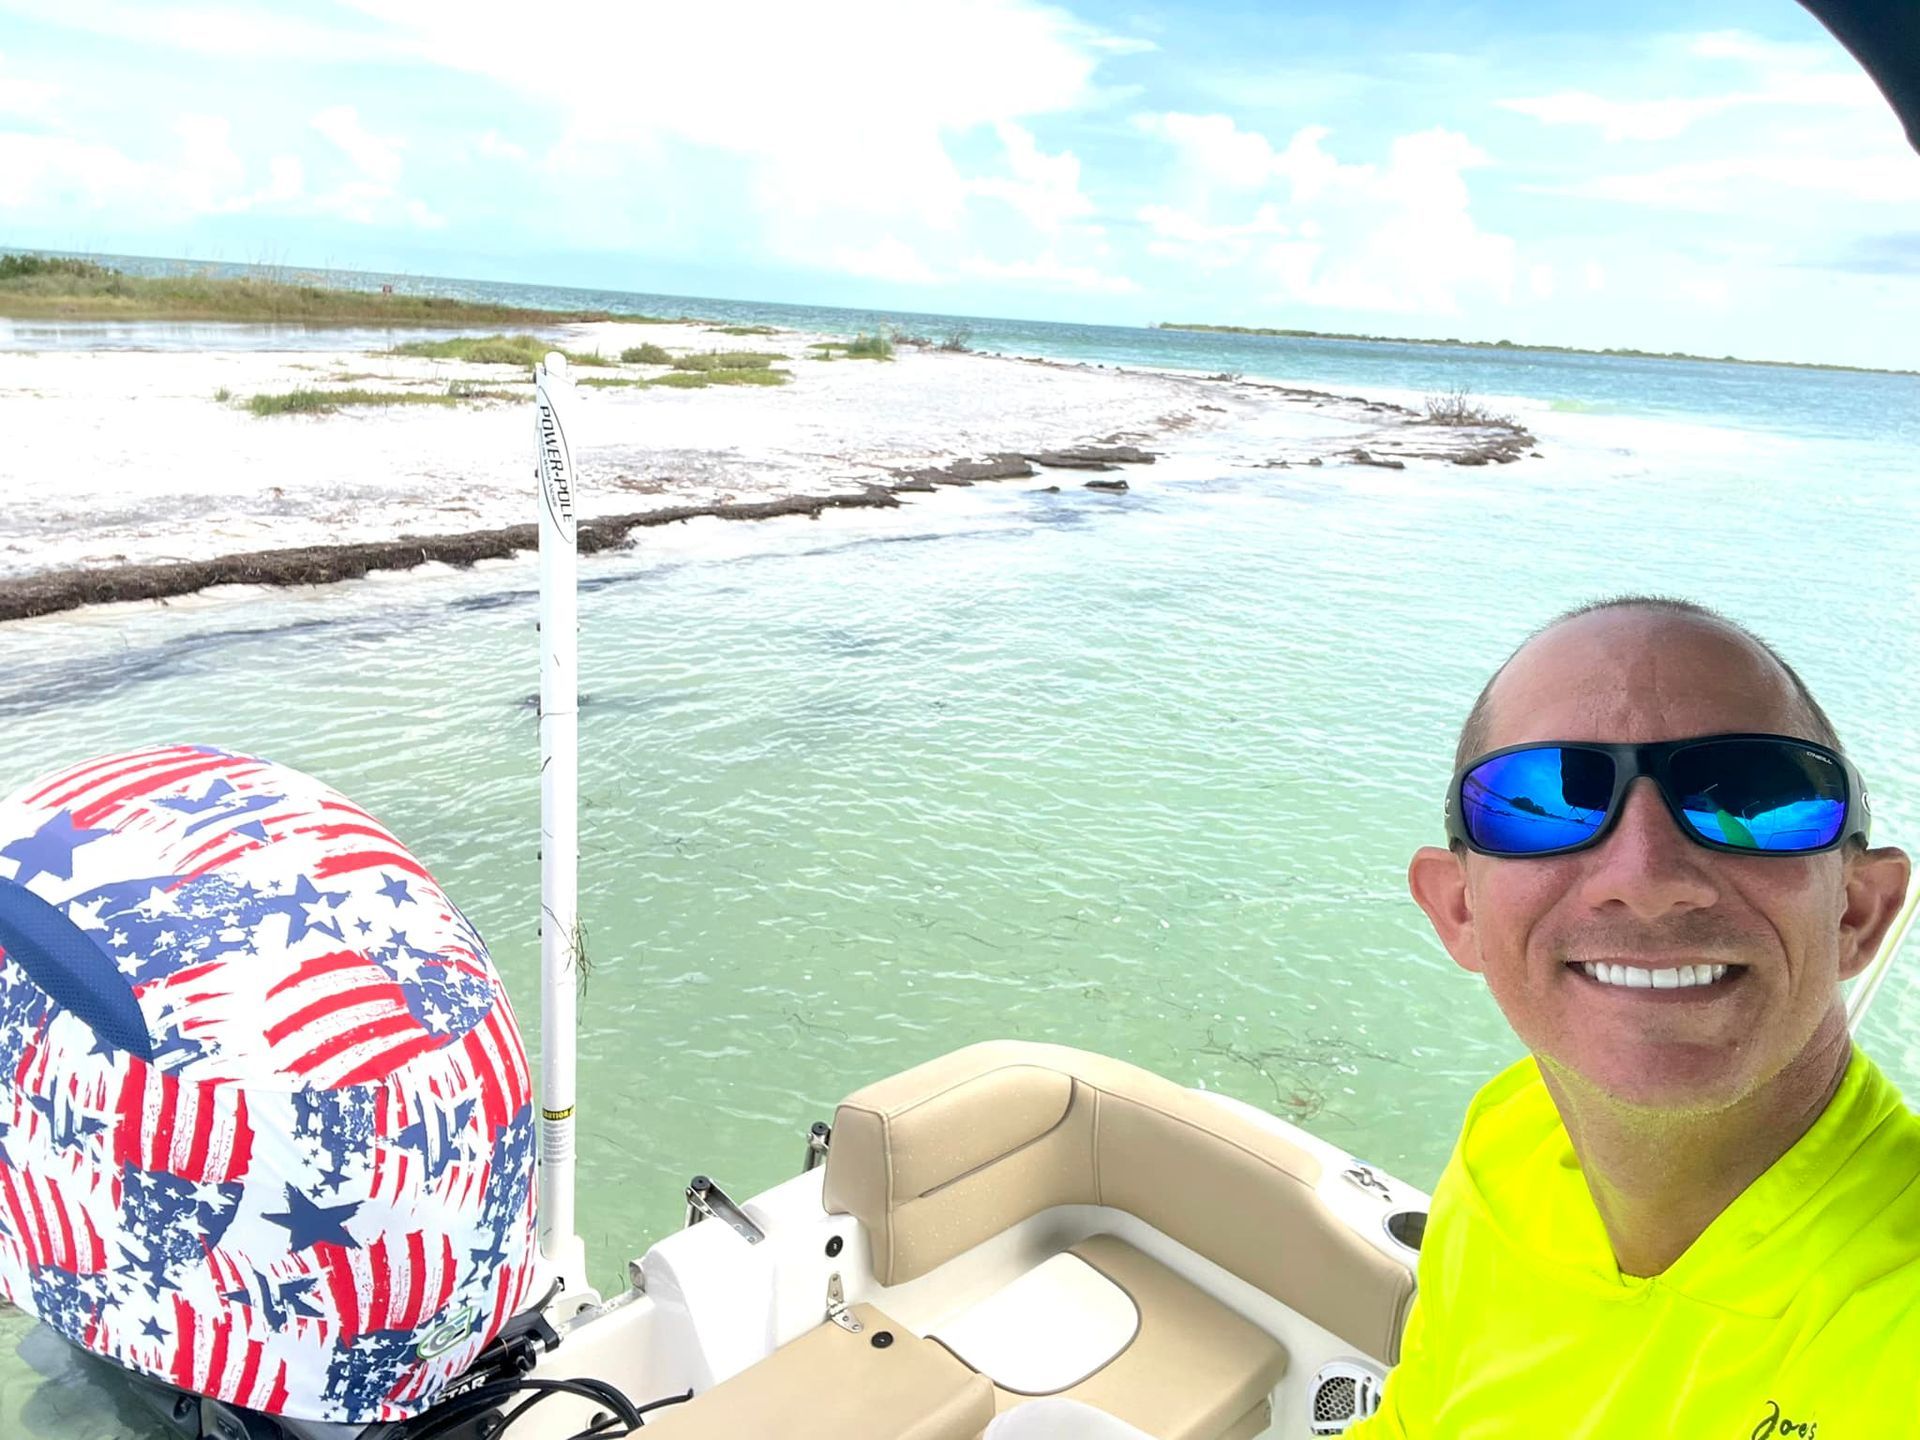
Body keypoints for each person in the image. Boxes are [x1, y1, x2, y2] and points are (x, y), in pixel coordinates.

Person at [1348, 596, 1916, 1438]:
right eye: (1545, 800)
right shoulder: (1513, 1136)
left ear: (1859, 913)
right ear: (1458, 910)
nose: (1646, 878)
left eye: (1752, 798)